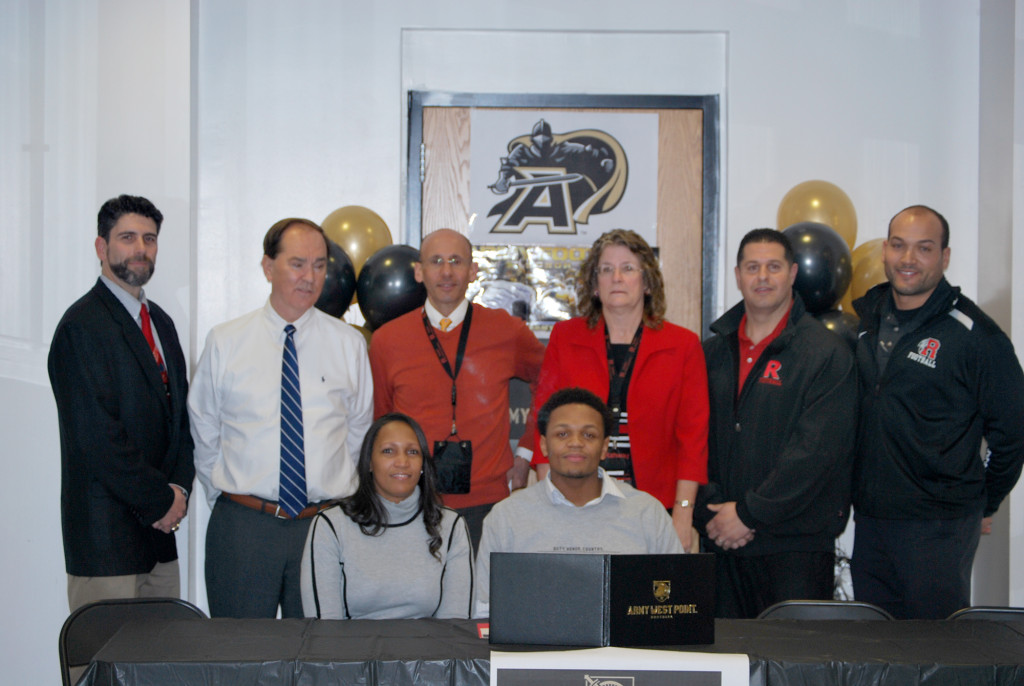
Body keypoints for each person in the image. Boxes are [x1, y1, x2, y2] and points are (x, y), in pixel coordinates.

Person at [188, 217, 373, 618]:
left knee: (319, 664)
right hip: (244, 528)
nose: (310, 276)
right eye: (297, 263)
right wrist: (226, 493)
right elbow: (204, 427)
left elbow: (359, 429)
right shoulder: (226, 341)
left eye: (320, 265)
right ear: (268, 267)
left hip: (324, 527)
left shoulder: (349, 345)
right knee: (240, 659)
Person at [851, 205, 1024, 619]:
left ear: (944, 257)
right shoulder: (866, 320)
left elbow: (1013, 433)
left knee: (934, 655)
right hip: (872, 522)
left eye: (923, 248)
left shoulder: (976, 335)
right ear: (885, 252)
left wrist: (984, 501)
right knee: (874, 653)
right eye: (898, 245)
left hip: (938, 529)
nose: (908, 259)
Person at [695, 228, 857, 618]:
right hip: (720, 539)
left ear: (793, 274)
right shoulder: (710, 352)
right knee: (725, 667)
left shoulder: (826, 353)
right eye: (752, 267)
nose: (762, 277)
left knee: (792, 669)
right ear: (737, 276)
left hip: (794, 548)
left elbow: (816, 453)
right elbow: (692, 438)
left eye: (773, 267)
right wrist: (710, 511)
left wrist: (749, 514)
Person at [49, 194, 194, 612]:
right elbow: (97, 437)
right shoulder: (81, 327)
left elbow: (181, 423)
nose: (140, 249)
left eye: (149, 239)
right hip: (105, 543)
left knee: (159, 669)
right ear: (101, 247)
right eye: (127, 237)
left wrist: (179, 491)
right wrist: (161, 503)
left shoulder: (162, 323)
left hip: (160, 542)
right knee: (101, 671)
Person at [531, 229, 708, 550]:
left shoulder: (682, 345)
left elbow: (693, 439)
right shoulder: (565, 337)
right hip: (577, 502)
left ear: (647, 281)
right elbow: (544, 423)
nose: (617, 278)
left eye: (628, 268)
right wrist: (549, 505)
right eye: (606, 269)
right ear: (594, 284)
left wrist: (683, 515)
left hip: (655, 506)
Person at [369, 228, 545, 550]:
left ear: (473, 271)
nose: (447, 271)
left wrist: (527, 449)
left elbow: (550, 380)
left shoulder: (507, 331)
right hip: (410, 503)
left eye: (456, 261)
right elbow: (380, 421)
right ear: (419, 272)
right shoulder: (386, 341)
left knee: (482, 600)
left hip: (489, 503)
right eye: (436, 261)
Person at [475, 387, 684, 617]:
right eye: (562, 434)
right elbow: (485, 611)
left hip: (626, 650)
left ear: (605, 446)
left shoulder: (647, 513)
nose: (575, 443)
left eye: (589, 435)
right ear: (543, 445)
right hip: (534, 651)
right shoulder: (507, 516)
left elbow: (675, 606)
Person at [300, 413, 473, 619]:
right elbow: (324, 630)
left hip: (430, 650)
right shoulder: (331, 526)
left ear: (423, 465)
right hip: (350, 650)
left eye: (412, 452)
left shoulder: (451, 526)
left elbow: (455, 628)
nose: (402, 461)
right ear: (370, 463)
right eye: (388, 451)